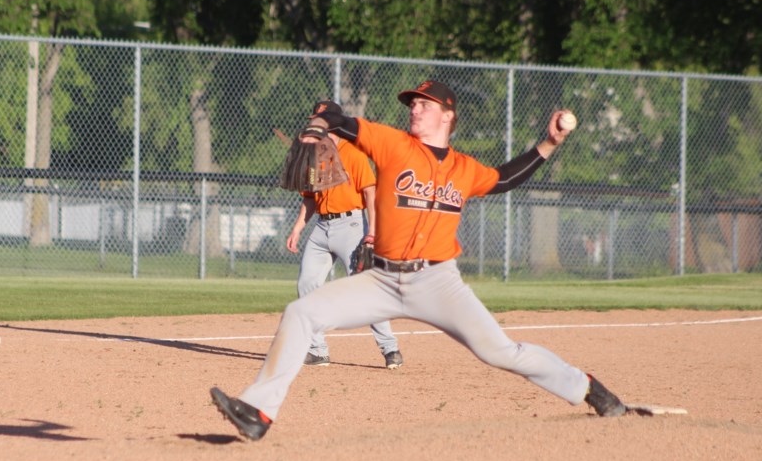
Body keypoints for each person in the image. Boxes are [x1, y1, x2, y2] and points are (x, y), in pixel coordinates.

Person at [211, 80, 627, 441]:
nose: (415, 108)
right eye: (412, 103)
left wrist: (550, 143)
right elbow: (344, 121)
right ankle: (258, 412)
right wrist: (321, 121)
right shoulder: (392, 144)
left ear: (448, 115)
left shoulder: (465, 168)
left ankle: (587, 389)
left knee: (501, 351)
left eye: (424, 104)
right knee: (301, 312)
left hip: (438, 283)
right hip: (382, 280)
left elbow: (503, 180)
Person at [286, 100, 402, 369]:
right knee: (307, 284)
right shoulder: (314, 155)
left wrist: (371, 232)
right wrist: (297, 229)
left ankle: (390, 349)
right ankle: (317, 350)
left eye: (319, 120)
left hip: (351, 228)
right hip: (322, 229)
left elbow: (370, 194)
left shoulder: (354, 154)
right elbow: (310, 199)